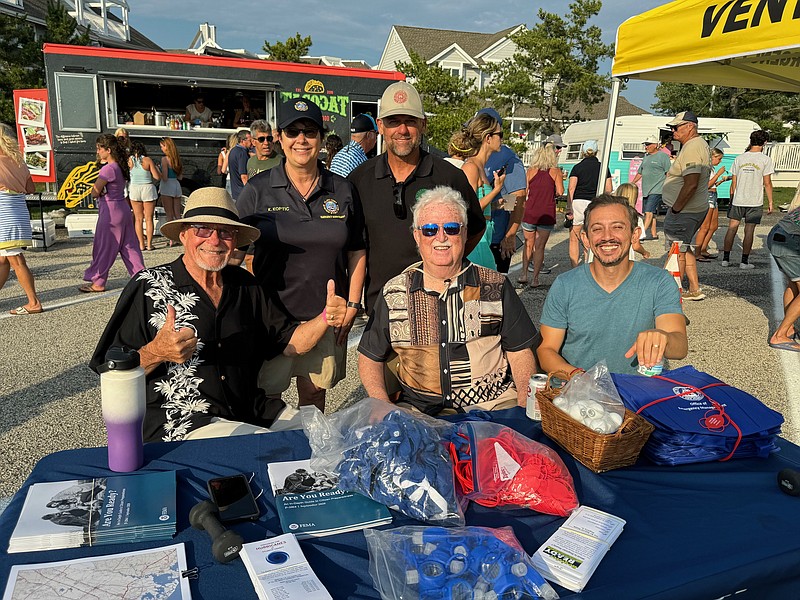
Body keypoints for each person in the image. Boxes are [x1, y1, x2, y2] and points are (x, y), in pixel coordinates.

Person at [90, 188, 348, 442]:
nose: (214, 240)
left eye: (225, 232)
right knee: (272, 450)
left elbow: (290, 342)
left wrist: (326, 317)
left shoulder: (246, 285)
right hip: (183, 421)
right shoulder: (149, 286)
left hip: (250, 411)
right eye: (203, 229)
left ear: (235, 241)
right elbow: (111, 372)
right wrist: (157, 351)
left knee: (324, 439)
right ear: (183, 235)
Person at [358, 186, 538, 415]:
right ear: (416, 235)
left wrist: (524, 401)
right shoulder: (395, 291)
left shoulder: (495, 285)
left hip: (492, 409)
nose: (440, 237)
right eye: (430, 230)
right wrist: (381, 404)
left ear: (464, 234)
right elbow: (369, 356)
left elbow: (520, 350)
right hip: (418, 413)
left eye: (451, 229)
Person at [237, 99, 366, 412]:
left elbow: (357, 250)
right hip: (271, 318)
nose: (302, 139)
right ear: (280, 137)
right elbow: (233, 250)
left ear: (321, 138)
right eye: (293, 131)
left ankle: (310, 459)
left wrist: (352, 304)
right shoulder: (258, 189)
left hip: (325, 315)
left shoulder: (343, 189)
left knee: (313, 398)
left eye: (309, 131)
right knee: (267, 398)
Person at [347, 81, 485, 313]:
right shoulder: (359, 179)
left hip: (440, 306)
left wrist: (446, 261)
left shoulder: (449, 176)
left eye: (410, 121)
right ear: (380, 126)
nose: (402, 130)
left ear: (423, 124)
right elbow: (352, 246)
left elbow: (475, 228)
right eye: (393, 122)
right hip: (381, 308)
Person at [537, 194, 688, 375]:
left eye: (617, 227)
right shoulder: (565, 285)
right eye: (597, 229)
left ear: (634, 235)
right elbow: (546, 350)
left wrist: (664, 338)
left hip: (639, 394)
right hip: (580, 393)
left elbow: (680, 347)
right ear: (585, 238)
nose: (607, 237)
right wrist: (581, 379)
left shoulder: (659, 282)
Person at [80, 134, 144, 293]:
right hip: (123, 208)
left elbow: (95, 192)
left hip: (110, 211)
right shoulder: (120, 167)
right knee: (129, 246)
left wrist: (97, 191)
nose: (97, 152)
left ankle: (98, 282)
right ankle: (142, 277)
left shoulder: (108, 168)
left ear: (108, 150)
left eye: (99, 149)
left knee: (104, 247)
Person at [662, 110, 712, 301]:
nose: (673, 131)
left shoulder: (692, 147)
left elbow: (691, 182)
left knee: (675, 252)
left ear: (690, 126)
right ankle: (694, 288)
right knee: (685, 247)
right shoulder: (699, 145)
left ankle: (671, 296)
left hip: (685, 210)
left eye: (676, 127)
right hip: (694, 208)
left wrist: (676, 208)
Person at [449, 112, 507, 269]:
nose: (502, 139)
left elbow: (479, 204)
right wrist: (496, 190)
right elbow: (468, 209)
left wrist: (496, 204)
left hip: (484, 236)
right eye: (499, 134)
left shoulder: (480, 167)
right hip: (476, 241)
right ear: (488, 138)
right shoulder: (471, 167)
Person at [476, 108, 527, 274]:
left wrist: (510, 235)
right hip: (476, 238)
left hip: (496, 238)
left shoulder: (508, 160)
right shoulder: (475, 156)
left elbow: (517, 200)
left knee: (494, 292)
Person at [0, 122, 42, 315]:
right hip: (18, 209)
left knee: (16, 260)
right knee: (3, 259)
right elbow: (31, 189)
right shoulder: (18, 161)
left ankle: (33, 302)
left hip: (4, 213)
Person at [722, 130, 774, 269]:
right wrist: (770, 202)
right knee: (749, 230)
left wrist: (731, 197)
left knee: (731, 228)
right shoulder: (765, 160)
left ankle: (725, 259)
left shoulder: (740, 158)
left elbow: (734, 181)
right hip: (755, 201)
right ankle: (744, 261)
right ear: (765, 142)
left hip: (738, 199)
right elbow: (767, 182)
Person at [520, 145, 564, 286]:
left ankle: (524, 274)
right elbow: (560, 191)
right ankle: (535, 279)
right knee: (540, 247)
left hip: (531, 211)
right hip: (546, 212)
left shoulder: (530, 171)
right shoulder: (555, 171)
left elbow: (525, 191)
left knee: (528, 245)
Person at [567, 140, 613, 267]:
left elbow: (571, 188)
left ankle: (574, 268)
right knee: (590, 237)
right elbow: (608, 189)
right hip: (594, 203)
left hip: (577, 203)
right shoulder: (603, 168)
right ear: (596, 152)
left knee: (574, 238)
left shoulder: (577, 167)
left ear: (583, 152)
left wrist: (569, 207)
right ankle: (589, 265)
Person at [767, 205, 800, 352]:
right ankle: (780, 335)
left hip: (779, 234)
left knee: (793, 284)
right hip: (789, 241)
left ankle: (789, 329)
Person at [631, 135, 671, 240]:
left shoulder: (663, 156)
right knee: (650, 212)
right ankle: (654, 234)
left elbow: (668, 173)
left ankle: (640, 234)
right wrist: (632, 182)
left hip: (657, 189)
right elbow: (640, 172)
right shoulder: (646, 157)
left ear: (655, 145)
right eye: (645, 144)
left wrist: (669, 186)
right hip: (646, 190)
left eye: (648, 144)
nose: (646, 147)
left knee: (648, 211)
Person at [695, 148, 729, 262]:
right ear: (712, 157)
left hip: (713, 195)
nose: (720, 161)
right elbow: (706, 184)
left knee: (713, 226)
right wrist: (718, 174)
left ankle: (703, 249)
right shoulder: (706, 168)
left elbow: (712, 183)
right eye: (718, 159)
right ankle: (697, 252)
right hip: (707, 196)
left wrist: (719, 181)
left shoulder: (712, 168)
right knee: (704, 227)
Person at [128, 141, 161, 252]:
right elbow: (157, 177)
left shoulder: (129, 161)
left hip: (134, 188)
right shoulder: (147, 160)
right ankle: (149, 244)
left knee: (138, 219)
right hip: (147, 188)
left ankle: (141, 244)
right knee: (148, 218)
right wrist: (158, 170)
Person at [158, 137, 183, 247]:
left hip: (167, 186)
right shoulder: (177, 159)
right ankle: (180, 236)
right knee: (177, 214)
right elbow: (181, 177)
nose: (161, 148)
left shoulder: (164, 160)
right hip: (176, 185)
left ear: (167, 147)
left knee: (169, 215)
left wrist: (157, 169)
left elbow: (164, 177)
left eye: (163, 146)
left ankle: (171, 239)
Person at [615, 183, 651, 261]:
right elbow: (636, 245)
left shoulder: (609, 214)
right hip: (625, 261)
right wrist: (644, 252)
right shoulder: (635, 218)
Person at [227, 129, 252, 201]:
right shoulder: (242, 153)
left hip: (234, 192)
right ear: (242, 140)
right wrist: (250, 191)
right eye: (250, 140)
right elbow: (244, 176)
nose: (252, 143)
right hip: (242, 193)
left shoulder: (233, 150)